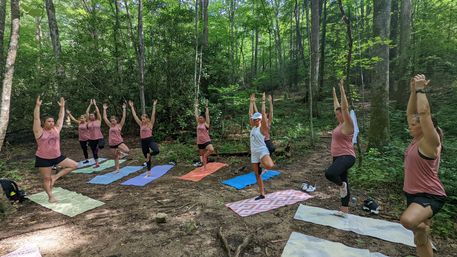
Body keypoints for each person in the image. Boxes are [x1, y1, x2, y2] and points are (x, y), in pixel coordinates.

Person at [400, 74, 446, 257]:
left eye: (414, 124)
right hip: (413, 193)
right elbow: (410, 113)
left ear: (426, 127)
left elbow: (424, 113)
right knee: (419, 238)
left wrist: (420, 90)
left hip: (430, 195)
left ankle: (422, 230)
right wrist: (412, 91)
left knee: (408, 221)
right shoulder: (416, 138)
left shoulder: (430, 142)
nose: (410, 126)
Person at [33, 96, 78, 203]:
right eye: (49, 121)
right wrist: (38, 106)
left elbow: (61, 117)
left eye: (52, 121)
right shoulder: (39, 131)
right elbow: (36, 118)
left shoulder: (56, 129)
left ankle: (55, 177)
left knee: (74, 165)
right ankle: (50, 196)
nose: (51, 123)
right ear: (44, 123)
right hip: (43, 158)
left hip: (57, 157)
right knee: (46, 179)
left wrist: (62, 107)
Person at [324, 80, 355, 217]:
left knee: (330, 174)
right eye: (336, 114)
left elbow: (344, 108)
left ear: (344, 114)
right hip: (337, 157)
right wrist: (334, 94)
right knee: (345, 180)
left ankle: (342, 186)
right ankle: (344, 211)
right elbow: (337, 107)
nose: (337, 115)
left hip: (347, 156)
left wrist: (342, 89)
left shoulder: (348, 124)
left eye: (339, 113)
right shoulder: (339, 124)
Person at [249, 93, 275, 200]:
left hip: (262, 150)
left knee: (269, 166)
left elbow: (264, 113)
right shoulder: (253, 127)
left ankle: (261, 165)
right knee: (257, 174)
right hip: (254, 152)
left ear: (261, 120)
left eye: (258, 119)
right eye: (255, 119)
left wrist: (264, 102)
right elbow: (250, 113)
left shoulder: (262, 128)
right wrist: (251, 102)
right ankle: (262, 193)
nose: (256, 121)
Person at [129, 100, 160, 177]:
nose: (142, 120)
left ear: (147, 119)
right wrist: (132, 107)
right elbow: (135, 116)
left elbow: (153, 115)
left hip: (150, 140)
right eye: (142, 119)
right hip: (143, 141)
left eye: (143, 119)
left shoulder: (150, 124)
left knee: (156, 150)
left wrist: (154, 105)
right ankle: (148, 172)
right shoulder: (140, 124)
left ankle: (150, 154)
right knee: (146, 157)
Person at [102, 102, 130, 172]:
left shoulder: (119, 125)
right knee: (116, 157)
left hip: (119, 142)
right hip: (111, 143)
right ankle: (117, 169)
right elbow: (104, 118)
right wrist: (104, 109)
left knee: (127, 150)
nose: (112, 122)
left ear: (116, 121)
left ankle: (120, 152)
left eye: (113, 120)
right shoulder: (110, 125)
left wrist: (124, 109)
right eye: (111, 121)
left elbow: (124, 117)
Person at [194, 98, 214, 171]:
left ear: (204, 119)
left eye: (201, 118)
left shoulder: (206, 124)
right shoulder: (198, 123)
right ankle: (204, 167)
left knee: (211, 149)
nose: (199, 119)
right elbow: (196, 114)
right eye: (199, 118)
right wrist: (196, 106)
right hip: (199, 141)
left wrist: (206, 107)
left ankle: (206, 156)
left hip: (206, 140)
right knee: (202, 155)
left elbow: (207, 115)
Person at [86, 99, 104, 168]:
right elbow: (87, 112)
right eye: (90, 116)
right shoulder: (88, 122)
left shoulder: (98, 120)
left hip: (99, 137)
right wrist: (90, 104)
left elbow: (98, 112)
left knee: (101, 146)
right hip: (91, 138)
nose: (91, 116)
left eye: (92, 115)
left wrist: (95, 104)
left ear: (95, 116)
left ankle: (97, 147)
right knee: (94, 152)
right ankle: (97, 163)